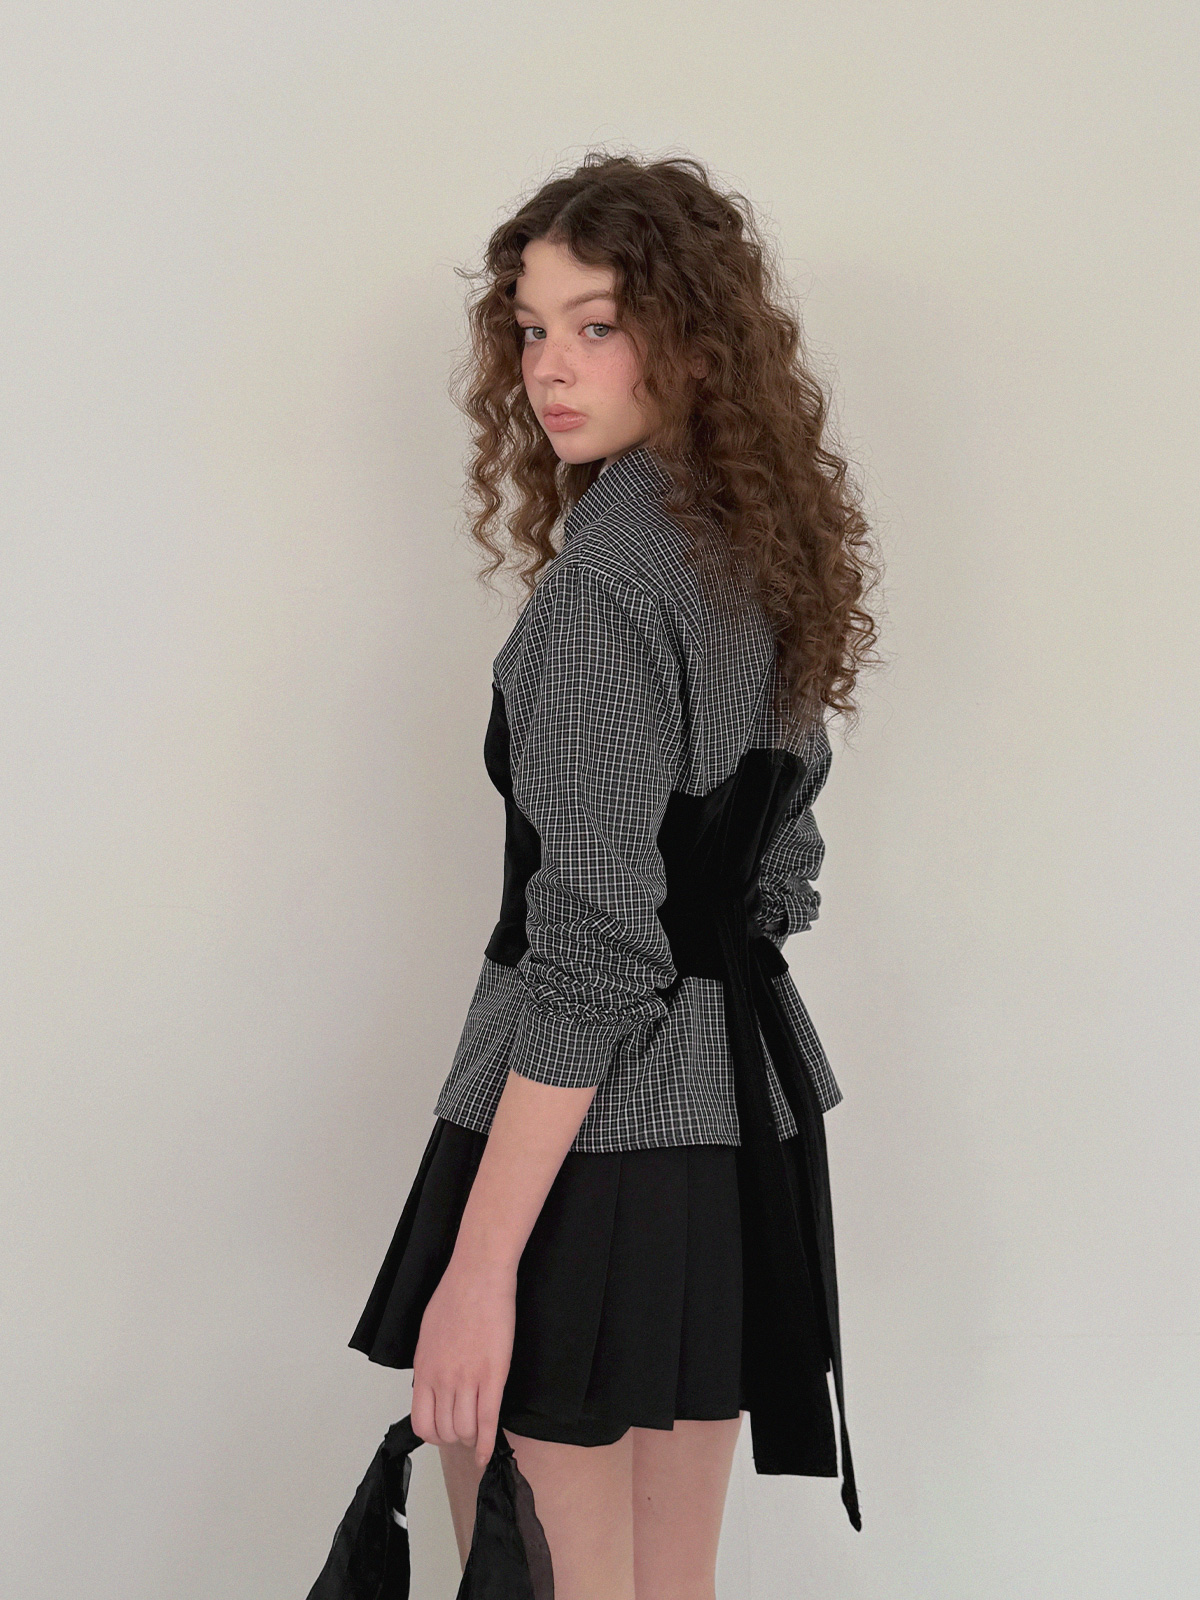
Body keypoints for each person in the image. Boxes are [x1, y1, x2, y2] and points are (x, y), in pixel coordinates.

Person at [347, 150, 879, 1600]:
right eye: (532, 328)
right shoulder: (758, 559)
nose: (549, 367)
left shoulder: (605, 590)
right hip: (735, 1141)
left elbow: (594, 951)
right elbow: (779, 878)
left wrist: (478, 1270)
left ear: (692, 342)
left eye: (598, 324)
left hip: (580, 1153)